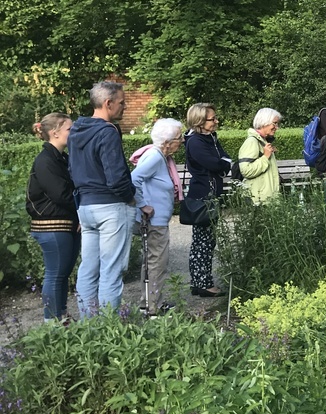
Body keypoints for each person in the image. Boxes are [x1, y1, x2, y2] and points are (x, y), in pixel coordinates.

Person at [68, 81, 137, 317]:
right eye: (122, 102)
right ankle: (107, 329)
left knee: (88, 270)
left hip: (86, 207)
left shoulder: (76, 131)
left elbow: (72, 170)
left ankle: (89, 326)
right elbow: (116, 175)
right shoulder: (107, 131)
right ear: (108, 103)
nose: (124, 107)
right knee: (111, 271)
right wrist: (130, 198)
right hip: (110, 207)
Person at [25, 113, 78, 323]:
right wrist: (83, 209)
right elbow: (62, 194)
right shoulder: (46, 161)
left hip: (63, 224)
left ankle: (60, 316)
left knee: (62, 273)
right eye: (69, 129)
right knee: (55, 274)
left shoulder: (60, 158)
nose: (73, 133)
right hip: (51, 225)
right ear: (55, 133)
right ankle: (51, 321)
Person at [129, 118, 184, 315]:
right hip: (155, 221)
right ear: (167, 142)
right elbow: (134, 179)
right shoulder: (154, 156)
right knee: (157, 263)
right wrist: (143, 205)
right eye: (179, 137)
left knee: (151, 262)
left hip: (156, 220)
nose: (182, 141)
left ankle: (148, 302)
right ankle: (153, 307)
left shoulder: (159, 156)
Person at [184, 103, 230, 298]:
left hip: (210, 195)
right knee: (203, 241)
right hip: (204, 196)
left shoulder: (209, 138)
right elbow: (214, 163)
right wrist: (222, 163)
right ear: (200, 121)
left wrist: (222, 163)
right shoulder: (196, 142)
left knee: (206, 241)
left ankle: (200, 281)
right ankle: (203, 283)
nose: (216, 121)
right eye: (212, 119)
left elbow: (225, 160)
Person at [240, 108, 282, 205]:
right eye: (274, 123)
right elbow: (246, 171)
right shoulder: (251, 142)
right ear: (264, 122)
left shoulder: (263, 142)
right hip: (258, 199)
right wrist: (265, 157)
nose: (277, 127)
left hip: (265, 198)